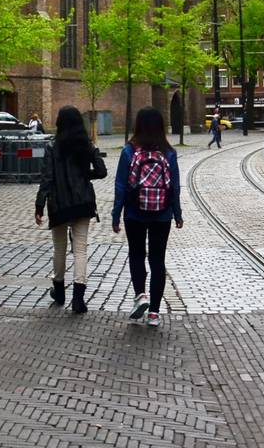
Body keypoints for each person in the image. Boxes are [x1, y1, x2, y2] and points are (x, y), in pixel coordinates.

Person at [112, 106, 183, 328]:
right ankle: (154, 312)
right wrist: (177, 213)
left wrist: (116, 215)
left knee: (136, 255)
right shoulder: (169, 153)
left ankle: (140, 295)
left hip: (134, 212)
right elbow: (176, 188)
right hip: (162, 214)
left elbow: (120, 186)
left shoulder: (129, 151)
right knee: (157, 260)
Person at [34, 105, 107, 314]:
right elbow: (102, 171)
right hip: (83, 202)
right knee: (81, 249)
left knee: (59, 248)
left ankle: (59, 289)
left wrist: (39, 205)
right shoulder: (87, 145)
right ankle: (78, 298)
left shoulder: (52, 147)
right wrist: (85, 176)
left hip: (59, 204)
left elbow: (46, 178)